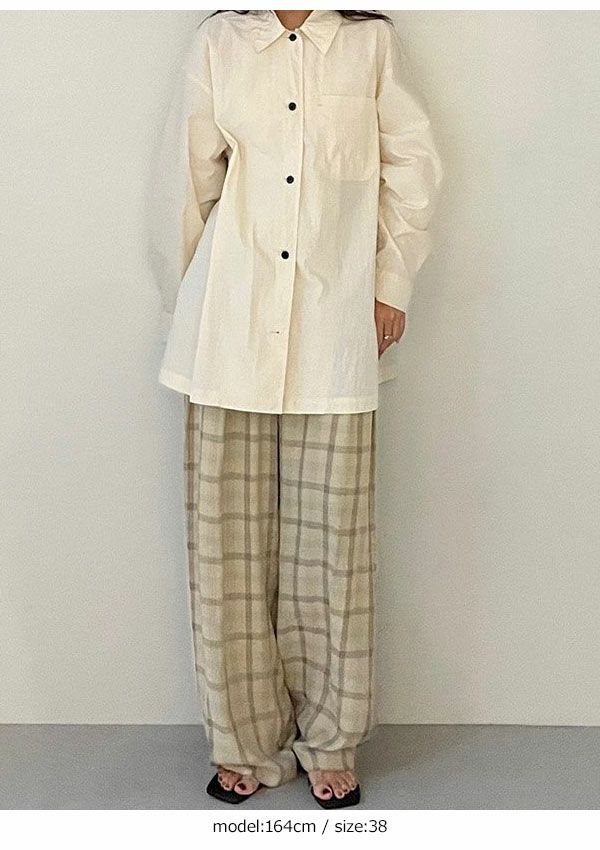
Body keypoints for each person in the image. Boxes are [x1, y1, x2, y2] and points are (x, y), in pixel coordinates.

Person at [148, 9, 443, 809]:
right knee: (227, 549)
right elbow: (186, 181)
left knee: (333, 547)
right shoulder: (219, 42)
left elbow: (413, 166)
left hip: (334, 327)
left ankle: (330, 739)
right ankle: (240, 739)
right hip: (229, 326)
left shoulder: (370, 44)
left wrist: (392, 284)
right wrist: (190, 316)